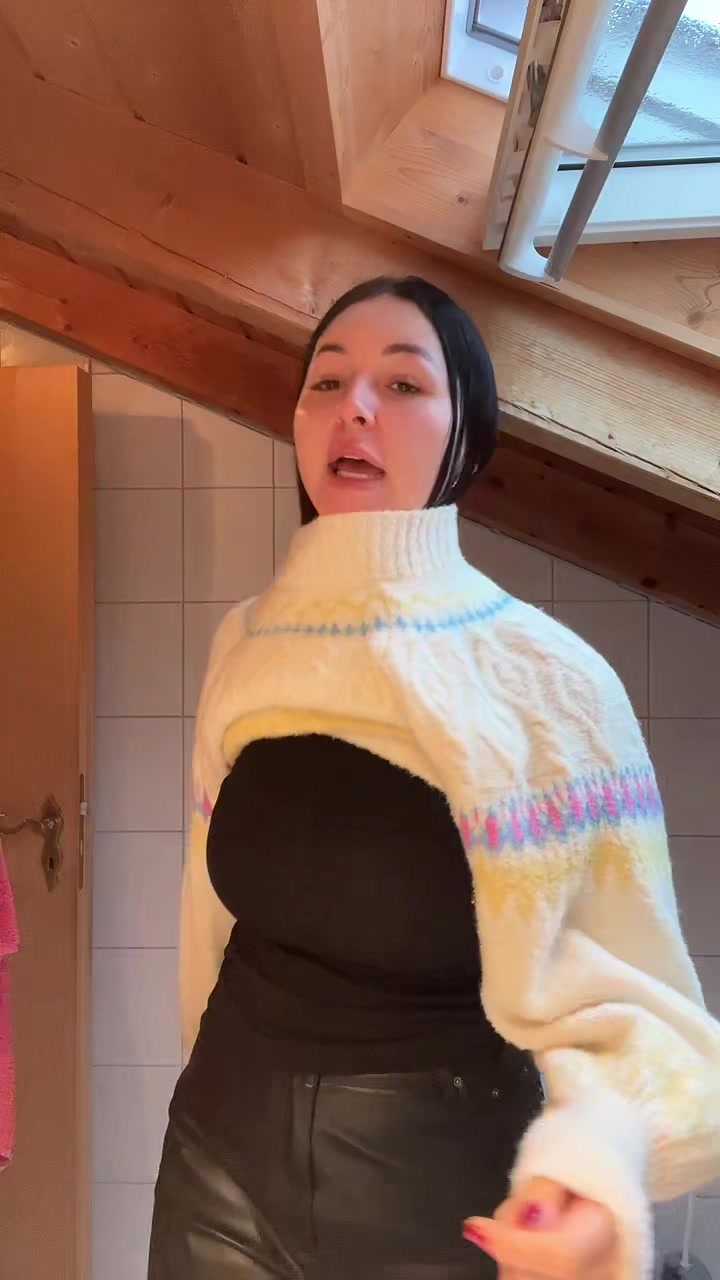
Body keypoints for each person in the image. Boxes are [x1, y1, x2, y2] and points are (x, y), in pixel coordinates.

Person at [148, 276, 720, 1280]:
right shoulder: (246, 643)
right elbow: (207, 914)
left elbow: (639, 1000)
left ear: (467, 436)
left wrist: (594, 1170)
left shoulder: (551, 681)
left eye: (404, 384)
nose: (356, 407)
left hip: (443, 1189)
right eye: (328, 382)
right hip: (218, 1157)